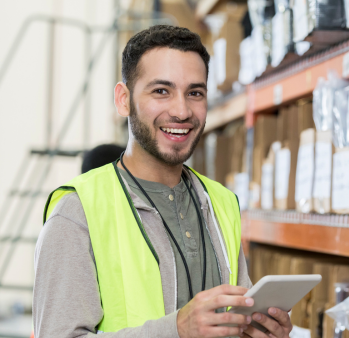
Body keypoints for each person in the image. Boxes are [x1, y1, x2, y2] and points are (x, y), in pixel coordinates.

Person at [33, 25, 293, 338]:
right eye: (161, 91)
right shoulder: (77, 213)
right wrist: (176, 330)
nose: (182, 111)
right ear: (124, 100)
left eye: (195, 93)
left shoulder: (221, 203)